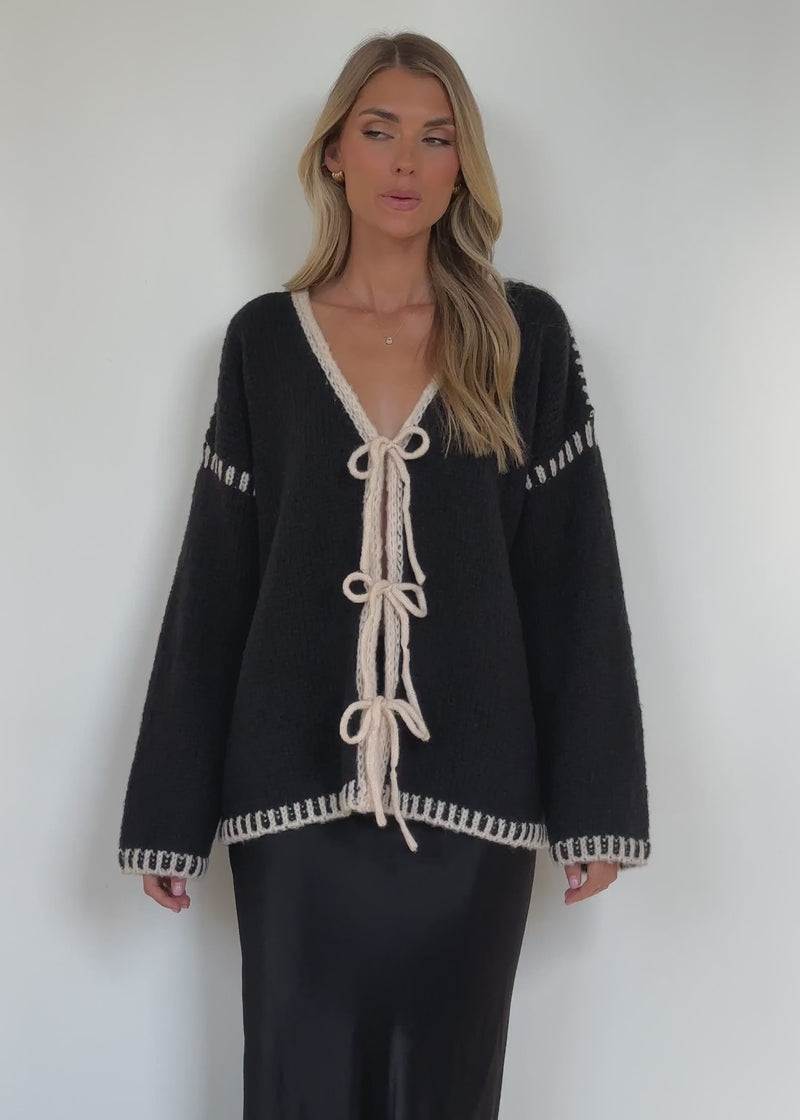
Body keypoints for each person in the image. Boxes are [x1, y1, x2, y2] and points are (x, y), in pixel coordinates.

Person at [116, 30, 651, 1119]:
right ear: (333, 154)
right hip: (291, 811)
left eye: (436, 138)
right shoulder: (265, 344)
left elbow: (573, 583)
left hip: (473, 813)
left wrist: (594, 804)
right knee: (297, 1088)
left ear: (462, 167)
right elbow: (217, 580)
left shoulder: (523, 336)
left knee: (447, 1093)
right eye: (379, 131)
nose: (405, 161)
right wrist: (170, 807)